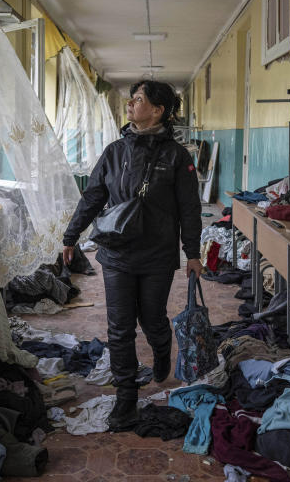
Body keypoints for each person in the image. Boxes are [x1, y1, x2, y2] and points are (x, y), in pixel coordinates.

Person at [61, 80, 202, 430]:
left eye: (138, 100)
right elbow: (92, 196)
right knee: (120, 326)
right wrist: (71, 234)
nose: (130, 104)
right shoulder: (114, 152)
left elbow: (190, 208)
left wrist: (193, 253)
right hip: (116, 252)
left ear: (157, 110)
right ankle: (126, 396)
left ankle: (160, 347)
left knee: (152, 317)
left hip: (157, 254)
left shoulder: (176, 156)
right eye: (132, 98)